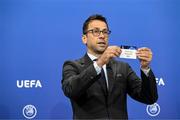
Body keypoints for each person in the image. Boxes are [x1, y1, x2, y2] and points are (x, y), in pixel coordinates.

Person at [61, 14, 158, 119]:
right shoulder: (72, 66)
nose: (102, 36)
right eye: (96, 31)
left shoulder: (123, 67)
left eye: (105, 32)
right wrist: (99, 63)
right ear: (84, 38)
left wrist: (145, 68)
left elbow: (149, 98)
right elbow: (71, 90)